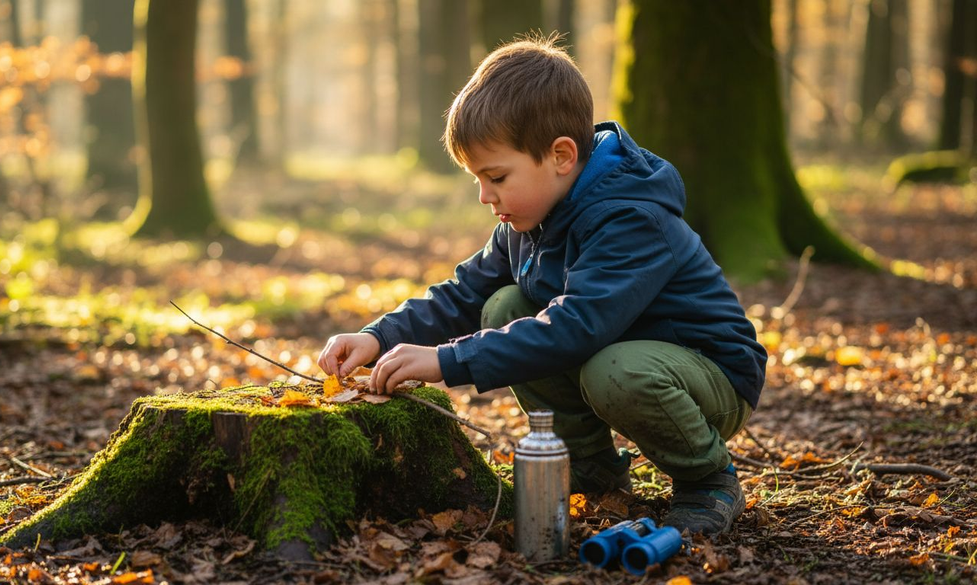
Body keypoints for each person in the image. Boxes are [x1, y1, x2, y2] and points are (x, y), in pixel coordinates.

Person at [317, 35, 766, 535]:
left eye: (498, 176)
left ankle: (707, 479)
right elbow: (465, 292)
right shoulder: (526, 222)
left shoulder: (629, 218)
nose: (486, 196)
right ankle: (591, 465)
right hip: (621, 357)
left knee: (612, 368)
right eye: (477, 180)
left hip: (709, 375)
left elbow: (577, 326)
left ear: (560, 156)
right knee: (505, 305)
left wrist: (447, 361)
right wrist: (378, 337)